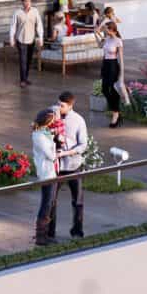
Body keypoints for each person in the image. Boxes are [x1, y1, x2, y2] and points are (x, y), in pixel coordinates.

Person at [55, 92, 88, 238]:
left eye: (61, 106)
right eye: (58, 104)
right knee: (51, 201)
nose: (59, 107)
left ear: (70, 106)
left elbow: (83, 145)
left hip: (73, 166)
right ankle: (49, 233)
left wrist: (67, 153)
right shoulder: (53, 116)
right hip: (56, 167)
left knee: (78, 201)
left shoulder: (78, 120)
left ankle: (77, 231)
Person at [31, 108, 61, 245]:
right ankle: (40, 236)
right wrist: (55, 146)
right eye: (52, 120)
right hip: (46, 173)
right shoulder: (39, 136)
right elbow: (51, 156)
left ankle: (46, 233)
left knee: (50, 202)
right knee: (46, 203)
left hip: (50, 172)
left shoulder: (44, 133)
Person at [9, 0, 45, 88]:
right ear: (22, 2)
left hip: (31, 39)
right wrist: (11, 39)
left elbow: (39, 25)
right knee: (22, 60)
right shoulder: (17, 13)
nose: (28, 3)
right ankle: (22, 81)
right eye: (26, 1)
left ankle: (25, 78)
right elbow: (13, 26)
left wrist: (40, 38)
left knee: (29, 60)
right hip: (21, 39)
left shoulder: (35, 11)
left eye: (29, 1)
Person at [100, 21, 124, 127]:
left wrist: (122, 73)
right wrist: (97, 34)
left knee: (112, 88)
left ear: (111, 29)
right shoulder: (106, 39)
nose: (104, 30)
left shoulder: (118, 41)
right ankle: (116, 110)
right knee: (104, 89)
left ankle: (115, 114)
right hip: (105, 64)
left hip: (113, 65)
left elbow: (121, 58)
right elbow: (99, 45)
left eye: (106, 29)